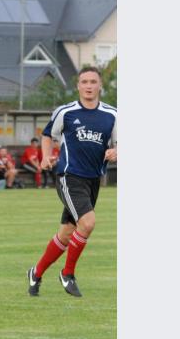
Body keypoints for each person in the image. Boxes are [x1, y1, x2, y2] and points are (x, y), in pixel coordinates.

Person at [27, 66, 117, 298]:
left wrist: (116, 151)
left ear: (99, 86)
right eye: (84, 81)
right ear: (78, 86)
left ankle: (35, 273)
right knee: (87, 223)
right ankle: (67, 274)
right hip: (69, 176)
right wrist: (46, 156)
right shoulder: (65, 112)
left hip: (93, 180)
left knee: (67, 234)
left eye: (93, 82)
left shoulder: (113, 115)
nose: (88, 86)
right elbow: (48, 135)